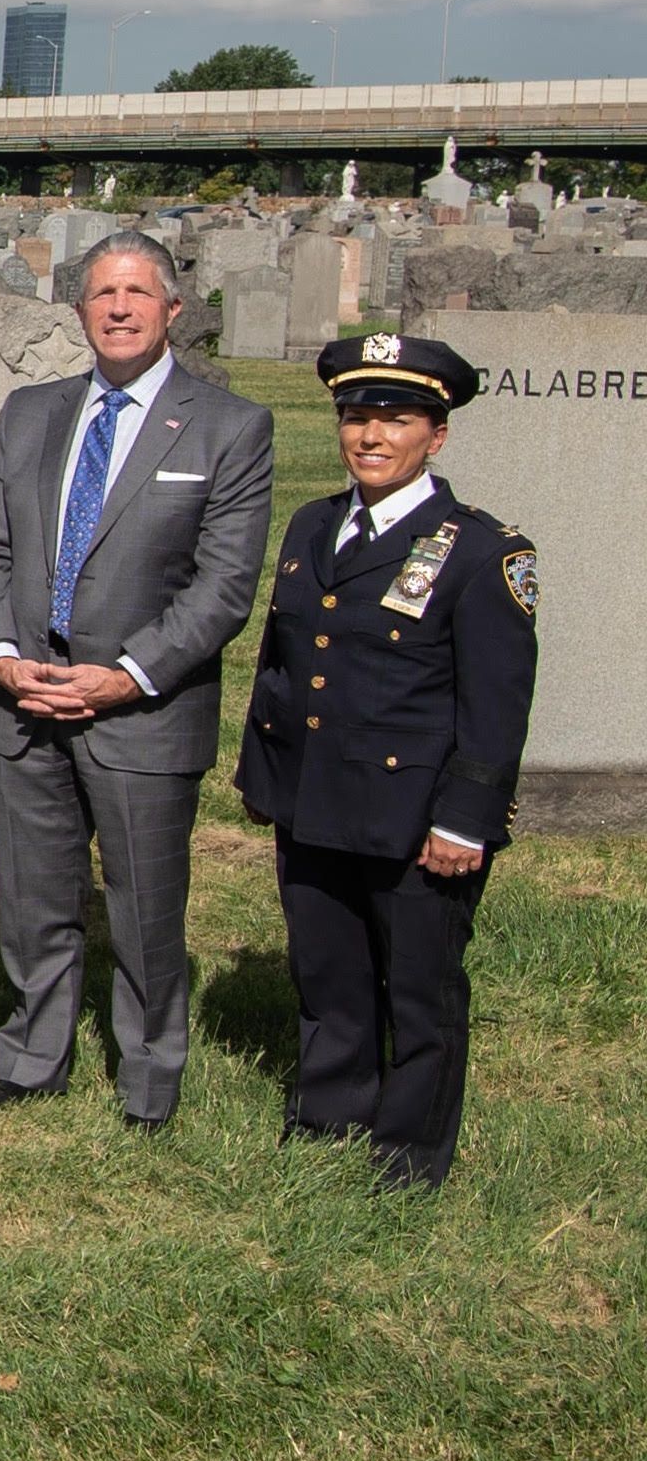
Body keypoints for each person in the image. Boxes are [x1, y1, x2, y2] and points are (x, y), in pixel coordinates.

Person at [0, 232, 273, 1128]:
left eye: (139, 292)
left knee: (143, 908)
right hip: (23, 700)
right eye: (104, 293)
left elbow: (223, 587)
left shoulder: (228, 425)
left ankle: (148, 1078)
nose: (121, 308)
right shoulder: (32, 412)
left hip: (141, 710)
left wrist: (125, 676)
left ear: (173, 310)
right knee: (32, 900)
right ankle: (30, 1058)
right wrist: (1, 656)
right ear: (81, 310)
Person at [233, 337, 539, 1188]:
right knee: (328, 970)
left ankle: (409, 1151)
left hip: (414, 817)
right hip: (316, 798)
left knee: (419, 988)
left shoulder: (482, 553)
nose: (371, 436)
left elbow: (495, 706)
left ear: (435, 436)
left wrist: (463, 819)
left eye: (396, 419)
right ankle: (331, 1114)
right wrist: (266, 775)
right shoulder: (313, 524)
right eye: (356, 416)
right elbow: (286, 661)